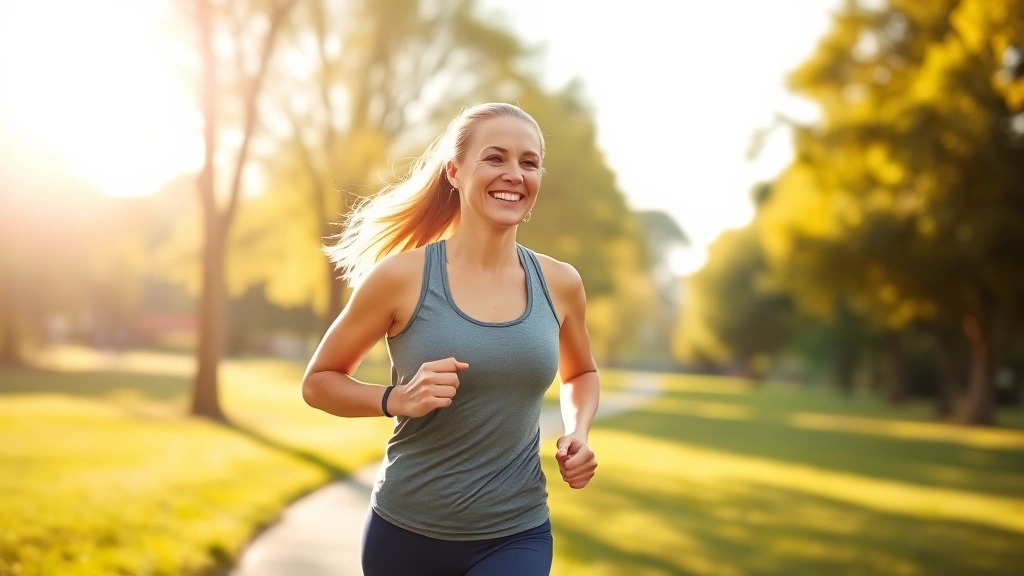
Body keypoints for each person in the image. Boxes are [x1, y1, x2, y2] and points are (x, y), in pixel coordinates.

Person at [302, 102, 600, 576]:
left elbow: (580, 371)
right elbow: (318, 381)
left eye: (529, 162)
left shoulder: (560, 283)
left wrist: (578, 434)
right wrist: (396, 398)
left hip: (516, 532)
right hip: (405, 534)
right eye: (495, 158)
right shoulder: (402, 277)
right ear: (455, 172)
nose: (514, 174)